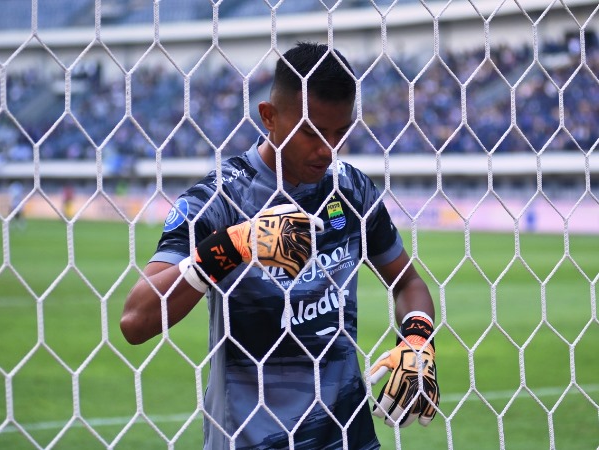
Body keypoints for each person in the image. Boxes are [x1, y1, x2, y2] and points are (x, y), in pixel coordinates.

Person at [121, 42, 439, 449]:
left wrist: (417, 338)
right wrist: (237, 243)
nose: (328, 149)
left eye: (340, 133)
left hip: (347, 438)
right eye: (311, 132)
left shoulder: (352, 190)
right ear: (269, 117)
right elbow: (135, 320)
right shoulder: (219, 199)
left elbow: (407, 281)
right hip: (252, 438)